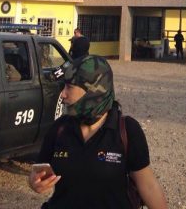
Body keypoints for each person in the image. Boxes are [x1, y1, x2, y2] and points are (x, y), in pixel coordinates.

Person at [29, 55, 168, 209]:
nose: (62, 94)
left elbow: (148, 186)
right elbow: (38, 172)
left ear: (93, 91)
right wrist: (34, 182)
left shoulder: (127, 130)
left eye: (69, 87)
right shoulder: (60, 129)